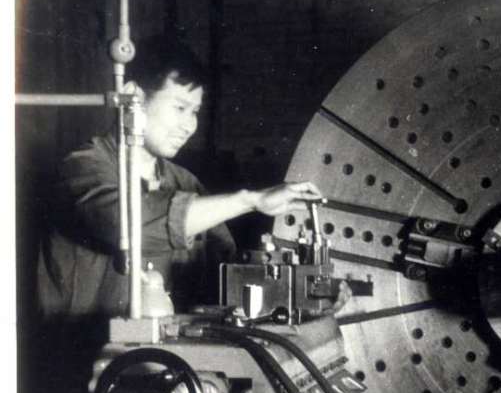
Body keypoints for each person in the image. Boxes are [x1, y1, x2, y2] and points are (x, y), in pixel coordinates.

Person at [37, 34, 321, 319]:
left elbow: (230, 273)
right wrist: (251, 200)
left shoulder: (185, 182)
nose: (189, 125)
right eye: (179, 108)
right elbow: (127, 224)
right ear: (133, 96)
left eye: (195, 112)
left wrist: (307, 292)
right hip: (89, 346)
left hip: (170, 345)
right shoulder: (81, 168)